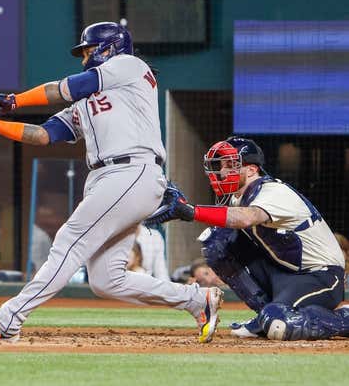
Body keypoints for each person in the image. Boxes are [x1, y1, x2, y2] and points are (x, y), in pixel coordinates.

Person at [0, 21, 222, 343]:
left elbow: (66, 88)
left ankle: (7, 319)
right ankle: (197, 300)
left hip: (131, 169)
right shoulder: (88, 100)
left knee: (69, 241)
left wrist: (11, 101)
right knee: (106, 279)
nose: (84, 58)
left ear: (108, 48)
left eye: (88, 51)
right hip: (108, 177)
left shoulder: (129, 66)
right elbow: (44, 134)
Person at [147, 136, 349, 340]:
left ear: (252, 170)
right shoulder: (239, 197)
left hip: (322, 277)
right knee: (216, 240)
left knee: (278, 324)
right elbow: (230, 223)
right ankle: (265, 315)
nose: (223, 171)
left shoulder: (274, 191)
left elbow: (247, 217)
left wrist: (191, 211)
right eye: (221, 165)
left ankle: (342, 319)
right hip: (286, 271)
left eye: (231, 165)